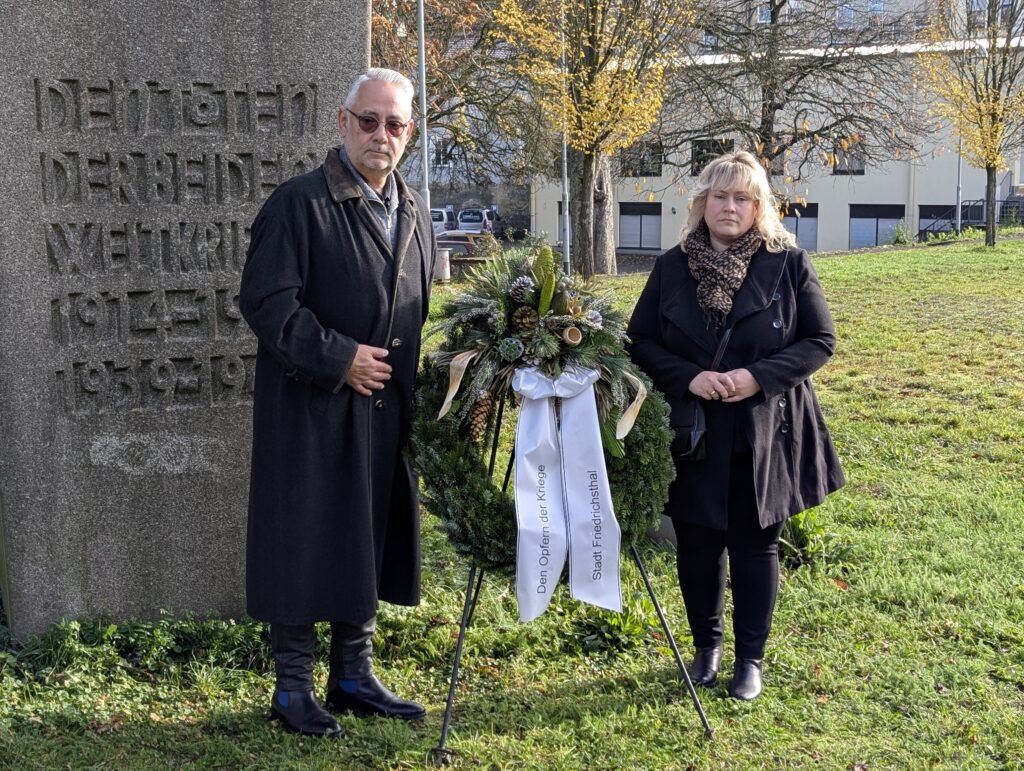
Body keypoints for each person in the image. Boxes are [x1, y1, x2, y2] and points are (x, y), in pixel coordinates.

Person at [239, 68, 436, 737]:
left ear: (410, 132)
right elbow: (266, 303)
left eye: (396, 124)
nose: (382, 134)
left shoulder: (412, 209)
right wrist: (339, 358)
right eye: (369, 120)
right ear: (342, 121)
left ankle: (353, 673)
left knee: (366, 535)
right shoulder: (299, 204)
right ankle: (291, 686)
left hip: (382, 410)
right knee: (303, 538)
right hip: (312, 407)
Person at [627, 151, 844, 701]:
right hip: (693, 431)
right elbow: (641, 342)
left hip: (765, 431)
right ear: (702, 204)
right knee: (696, 545)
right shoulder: (671, 266)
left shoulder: (787, 263)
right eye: (719, 196)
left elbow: (819, 341)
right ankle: (707, 648)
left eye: (742, 197)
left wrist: (757, 377)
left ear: (758, 206)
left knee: (755, 546)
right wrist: (689, 377)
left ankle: (750, 660)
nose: (730, 206)